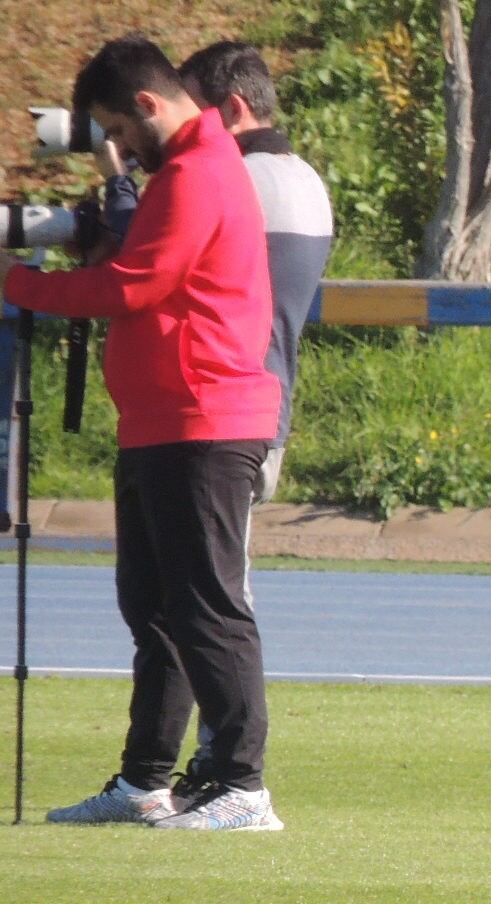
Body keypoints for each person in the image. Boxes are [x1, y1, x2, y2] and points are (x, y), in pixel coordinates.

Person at [2, 37, 283, 831]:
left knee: (205, 606)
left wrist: (18, 282)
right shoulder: (185, 169)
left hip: (203, 417)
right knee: (155, 606)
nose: (118, 151)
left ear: (150, 106)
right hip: (163, 421)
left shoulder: (197, 171)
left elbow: (138, 284)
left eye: (119, 132)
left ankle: (241, 783)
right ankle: (146, 780)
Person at [102, 41, 333, 802]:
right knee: (189, 605)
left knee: (207, 609)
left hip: (215, 412)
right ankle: (163, 775)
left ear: (229, 110)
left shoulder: (229, 175)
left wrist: (118, 196)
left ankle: (225, 779)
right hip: (241, 408)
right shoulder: (296, 179)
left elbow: (151, 264)